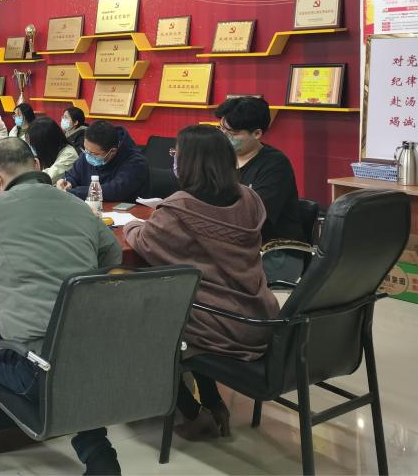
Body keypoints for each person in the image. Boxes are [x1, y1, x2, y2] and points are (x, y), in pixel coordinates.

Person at [0, 138, 123, 475]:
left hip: (33, 369)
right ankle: (101, 458)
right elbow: (112, 257)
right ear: (38, 165)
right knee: (69, 358)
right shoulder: (77, 206)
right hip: (92, 359)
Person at [123, 125, 280, 440]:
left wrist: (130, 225)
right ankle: (213, 401)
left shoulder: (179, 208)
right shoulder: (249, 198)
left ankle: (193, 414)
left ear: (190, 162)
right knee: (184, 308)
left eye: (176, 155)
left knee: (135, 324)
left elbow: (144, 241)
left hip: (217, 323)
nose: (173, 160)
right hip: (260, 316)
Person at [215, 97, 304, 282]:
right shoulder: (221, 158)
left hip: (275, 252)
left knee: (204, 271)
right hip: (231, 246)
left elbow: (253, 217)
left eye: (232, 133)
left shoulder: (275, 165)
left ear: (257, 133)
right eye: (221, 129)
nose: (224, 136)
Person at [57, 120, 149, 203]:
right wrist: (68, 182)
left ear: (112, 151)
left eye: (95, 154)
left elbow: (114, 190)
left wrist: (74, 192)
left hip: (125, 212)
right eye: (86, 149)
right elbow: (73, 175)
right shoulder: (89, 152)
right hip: (89, 208)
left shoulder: (136, 163)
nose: (88, 155)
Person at [27, 116, 79, 182]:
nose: (31, 147)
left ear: (44, 143)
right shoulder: (49, 152)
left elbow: (45, 178)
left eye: (33, 144)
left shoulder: (69, 155)